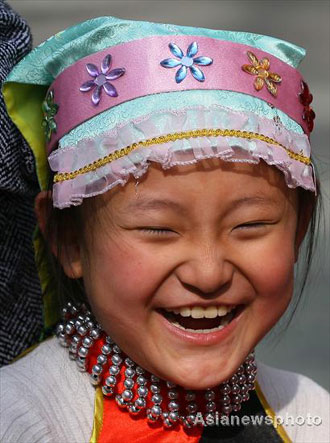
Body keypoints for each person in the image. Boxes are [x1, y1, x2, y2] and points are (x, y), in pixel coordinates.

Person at [0, 15, 329, 443]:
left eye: (251, 225)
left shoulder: (311, 415)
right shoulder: (23, 418)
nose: (208, 274)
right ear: (69, 240)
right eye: (158, 230)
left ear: (299, 229)